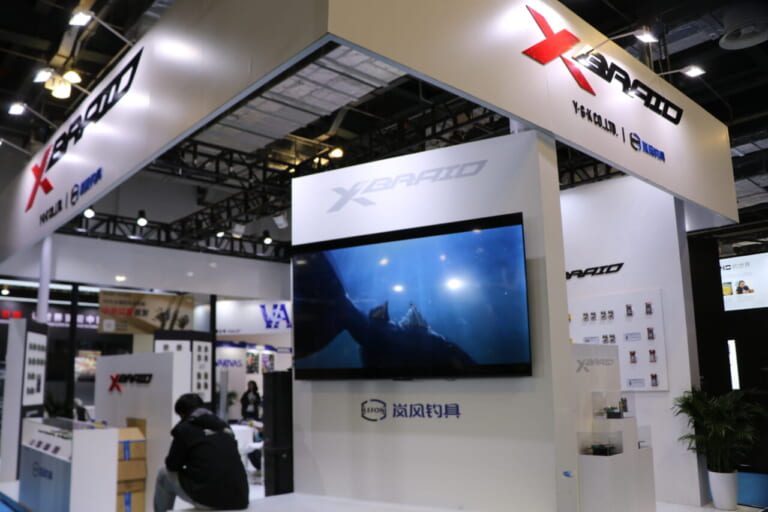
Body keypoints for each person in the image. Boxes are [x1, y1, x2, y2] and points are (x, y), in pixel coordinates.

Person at [154, 393, 249, 512]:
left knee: (164, 474)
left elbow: (172, 465)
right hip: (240, 498)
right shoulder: (224, 426)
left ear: (182, 414)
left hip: (210, 500)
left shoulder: (184, 429)